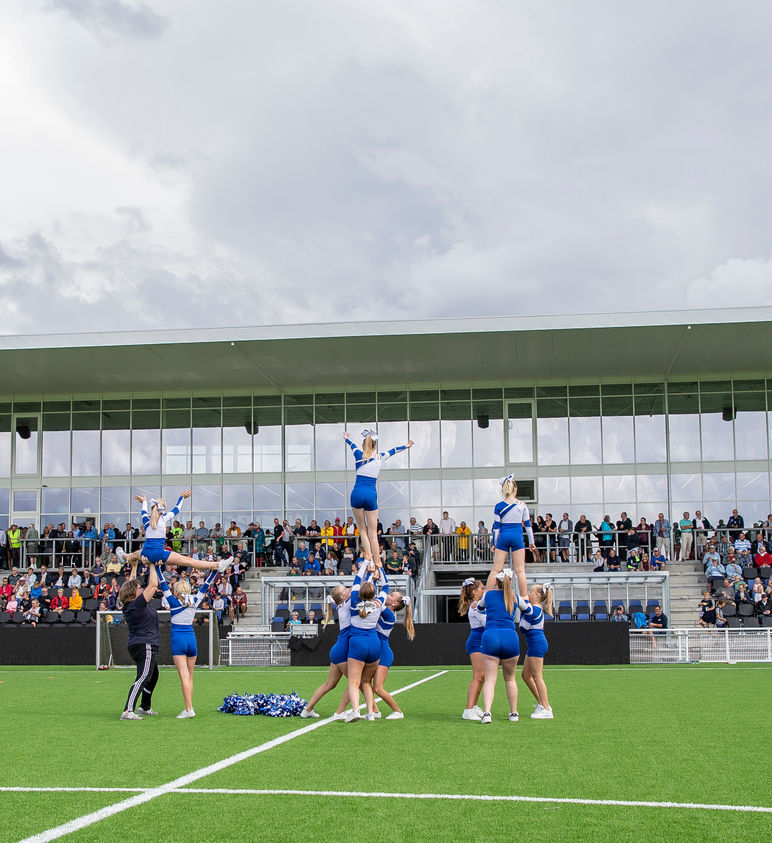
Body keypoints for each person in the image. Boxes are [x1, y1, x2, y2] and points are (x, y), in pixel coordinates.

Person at [153, 559, 222, 718]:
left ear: (176, 591)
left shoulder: (173, 601)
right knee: (189, 675)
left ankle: (189, 708)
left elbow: (163, 583)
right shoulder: (195, 601)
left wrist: (157, 568)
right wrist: (215, 570)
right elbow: (206, 586)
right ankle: (189, 707)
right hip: (191, 640)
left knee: (183, 676)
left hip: (178, 640)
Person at [344, 429, 413, 561]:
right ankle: (377, 561)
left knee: (362, 529)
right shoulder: (380, 457)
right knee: (373, 534)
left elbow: (351, 444)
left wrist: (346, 437)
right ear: (375, 446)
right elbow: (394, 450)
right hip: (370, 494)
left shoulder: (359, 454)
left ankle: (368, 557)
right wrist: (407, 445)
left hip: (357, 493)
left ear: (364, 445)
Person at [120, 491, 233, 571]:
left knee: (134, 554)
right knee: (190, 561)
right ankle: (218, 565)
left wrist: (144, 501)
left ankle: (123, 556)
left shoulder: (146, 521)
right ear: (162, 511)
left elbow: (143, 511)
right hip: (159, 554)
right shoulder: (164, 519)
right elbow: (177, 509)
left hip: (146, 553)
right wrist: (182, 497)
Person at [300, 582, 355, 719]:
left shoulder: (343, 605)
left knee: (329, 685)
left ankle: (307, 709)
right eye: (345, 589)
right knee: (355, 682)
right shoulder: (347, 604)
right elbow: (358, 588)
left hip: (337, 650)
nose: (348, 589)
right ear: (342, 597)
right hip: (342, 650)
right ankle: (340, 712)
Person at [344, 559, 386, 722]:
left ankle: (355, 710)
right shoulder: (378, 603)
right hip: (374, 643)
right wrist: (379, 569)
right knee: (367, 681)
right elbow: (386, 586)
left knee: (354, 682)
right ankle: (371, 713)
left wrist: (365, 566)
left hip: (358, 642)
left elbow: (356, 580)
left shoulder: (355, 601)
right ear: (373, 593)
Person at [477, 565, 520, 724]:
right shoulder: (514, 597)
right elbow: (528, 610)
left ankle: (487, 713)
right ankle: (514, 713)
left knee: (490, 679)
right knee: (510, 678)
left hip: (491, 636)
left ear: (497, 582)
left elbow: (479, 608)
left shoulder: (488, 595)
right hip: (510, 637)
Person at [120, 563, 161, 720]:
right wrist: (152, 564)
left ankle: (144, 706)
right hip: (145, 644)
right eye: (139, 588)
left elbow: (131, 583)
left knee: (153, 675)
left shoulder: (134, 605)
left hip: (141, 643)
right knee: (144, 676)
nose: (141, 589)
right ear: (133, 593)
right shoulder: (136, 605)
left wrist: (135, 565)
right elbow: (153, 585)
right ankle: (128, 710)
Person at [372, 569, 415, 720]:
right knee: (364, 683)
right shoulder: (386, 611)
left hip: (383, 652)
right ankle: (375, 711)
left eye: (391, 596)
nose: (388, 596)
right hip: (376, 649)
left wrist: (378, 570)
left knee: (377, 688)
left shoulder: (388, 614)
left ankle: (397, 711)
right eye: (390, 594)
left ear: (395, 603)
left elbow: (376, 597)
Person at [491, 476, 536, 598]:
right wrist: (531, 542)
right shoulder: (522, 505)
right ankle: (524, 599)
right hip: (517, 536)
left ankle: (487, 596)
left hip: (504, 536)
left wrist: (493, 544)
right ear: (515, 489)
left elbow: (496, 528)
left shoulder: (499, 506)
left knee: (496, 569)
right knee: (520, 570)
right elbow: (528, 526)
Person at [519, 583, 554, 719]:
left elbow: (523, 627)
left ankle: (546, 708)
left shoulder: (534, 610)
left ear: (537, 595)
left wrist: (523, 608)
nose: (529, 593)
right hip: (534, 643)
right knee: (525, 675)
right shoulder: (534, 609)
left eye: (531, 591)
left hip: (536, 644)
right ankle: (541, 703)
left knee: (537, 677)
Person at [458, 577, 486, 721]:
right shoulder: (476, 607)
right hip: (476, 642)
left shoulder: (479, 606)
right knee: (479, 675)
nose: (484, 590)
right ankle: (468, 709)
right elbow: (486, 622)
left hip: (481, 641)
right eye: (482, 588)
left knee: (482, 676)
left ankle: (474, 705)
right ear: (475, 592)